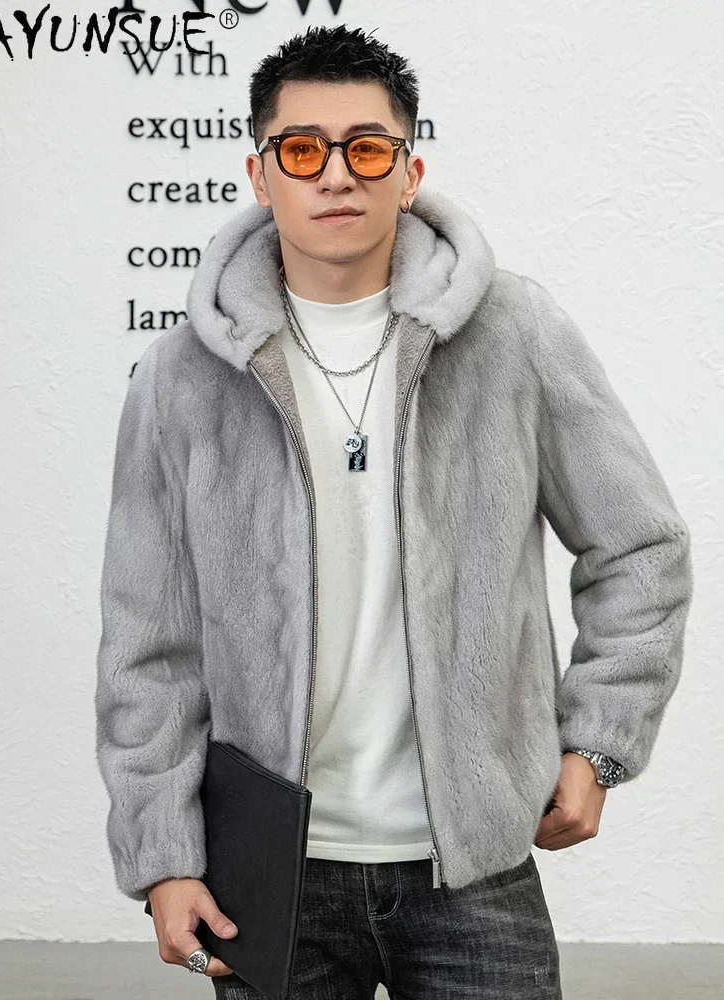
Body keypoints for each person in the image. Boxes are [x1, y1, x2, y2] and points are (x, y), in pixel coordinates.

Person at [94, 23, 694, 1000]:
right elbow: (146, 642)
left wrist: (597, 746)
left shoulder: (512, 331)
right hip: (269, 870)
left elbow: (640, 547)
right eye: (303, 149)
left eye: (367, 149)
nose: (337, 174)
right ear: (260, 175)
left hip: (475, 865)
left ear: (408, 173)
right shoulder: (183, 376)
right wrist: (162, 854)